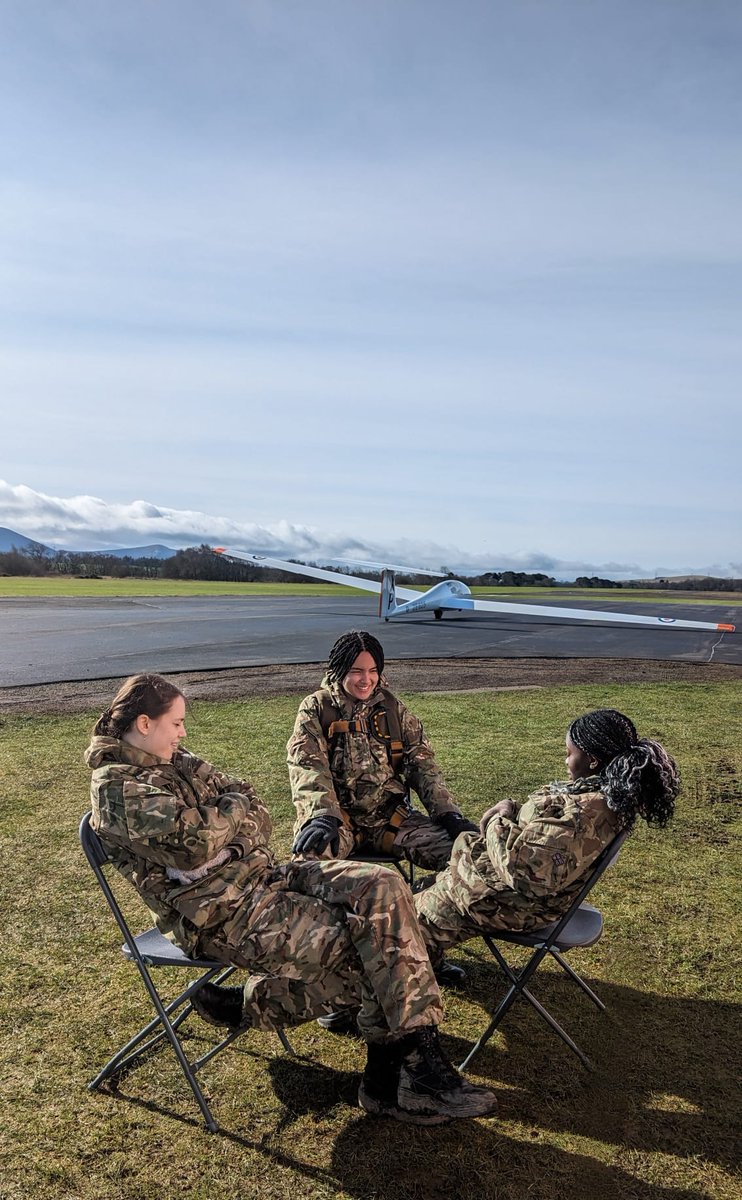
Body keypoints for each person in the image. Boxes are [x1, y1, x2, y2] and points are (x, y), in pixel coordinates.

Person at [84, 673, 498, 1124]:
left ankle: (259, 1009)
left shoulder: (176, 759)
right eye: (177, 722)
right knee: (376, 944)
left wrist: (231, 829)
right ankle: (400, 1074)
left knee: (383, 887)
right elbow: (198, 842)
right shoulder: (116, 788)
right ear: (145, 724)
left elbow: (253, 806)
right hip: (219, 916)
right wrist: (231, 822)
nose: (184, 732)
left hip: (265, 878)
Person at [414, 708, 680, 967]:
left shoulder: (582, 815)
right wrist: (515, 810)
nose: (566, 761)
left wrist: (499, 820)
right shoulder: (608, 799)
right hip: (525, 897)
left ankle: (410, 974)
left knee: (400, 923)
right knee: (415, 895)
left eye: (569, 754)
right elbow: (546, 838)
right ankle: (424, 955)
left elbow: (522, 873)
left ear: (593, 761)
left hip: (514, 904)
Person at [287, 630, 478, 871]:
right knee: (304, 869)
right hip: (337, 822)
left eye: (373, 670)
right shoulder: (316, 707)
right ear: (340, 669)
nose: (366, 679)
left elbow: (423, 765)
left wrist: (448, 815)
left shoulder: (392, 708)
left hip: (392, 820)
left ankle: (424, 905)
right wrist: (322, 815)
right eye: (356, 671)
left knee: (470, 858)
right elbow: (307, 766)